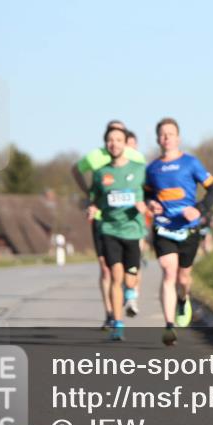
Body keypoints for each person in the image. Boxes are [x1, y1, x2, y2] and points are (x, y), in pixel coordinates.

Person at [144, 117, 213, 346]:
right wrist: (150, 204)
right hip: (163, 227)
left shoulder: (191, 163)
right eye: (163, 134)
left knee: (183, 278)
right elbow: (147, 195)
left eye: (171, 134)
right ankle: (169, 326)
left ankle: (183, 298)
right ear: (158, 139)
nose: (167, 138)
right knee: (168, 272)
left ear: (178, 137)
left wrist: (199, 209)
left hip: (188, 229)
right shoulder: (152, 168)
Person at [70, 120, 146, 329]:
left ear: (125, 140)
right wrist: (88, 196)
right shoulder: (96, 159)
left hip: (130, 224)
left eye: (119, 138)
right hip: (104, 221)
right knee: (107, 270)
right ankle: (111, 314)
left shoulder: (136, 159)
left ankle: (130, 295)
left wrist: (146, 205)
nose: (114, 143)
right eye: (110, 139)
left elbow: (146, 189)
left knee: (129, 270)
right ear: (106, 140)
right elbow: (75, 170)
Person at [123, 129, 147, 317]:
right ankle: (126, 290)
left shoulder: (141, 165)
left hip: (137, 223)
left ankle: (132, 294)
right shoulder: (117, 167)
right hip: (116, 224)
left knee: (134, 262)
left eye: (133, 145)